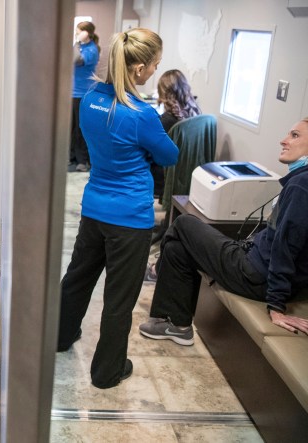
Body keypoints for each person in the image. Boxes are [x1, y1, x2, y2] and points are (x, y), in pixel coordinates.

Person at [139, 118, 308, 343]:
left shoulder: (304, 187)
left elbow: (287, 247)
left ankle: (157, 269)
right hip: (256, 264)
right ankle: (176, 324)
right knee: (177, 248)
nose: (284, 141)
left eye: (294, 135)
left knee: (184, 223)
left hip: (255, 276)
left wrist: (276, 305)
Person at [56, 28, 178, 389]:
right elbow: (170, 155)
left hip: (94, 208)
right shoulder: (141, 114)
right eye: (155, 65)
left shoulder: (91, 96)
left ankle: (61, 337)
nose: (155, 71)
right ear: (139, 69)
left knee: (77, 277)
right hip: (130, 219)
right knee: (119, 298)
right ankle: (107, 371)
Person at [151, 69, 202, 198]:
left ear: (164, 93)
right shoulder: (195, 114)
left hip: (163, 177)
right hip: (186, 175)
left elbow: (150, 150)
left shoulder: (166, 120)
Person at [69, 21, 100, 173]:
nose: (76, 33)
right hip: (72, 92)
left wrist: (77, 42)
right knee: (71, 128)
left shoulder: (92, 49)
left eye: (79, 31)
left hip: (83, 94)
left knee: (80, 129)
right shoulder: (80, 47)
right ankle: (71, 157)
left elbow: (76, 60)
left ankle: (82, 161)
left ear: (86, 33)